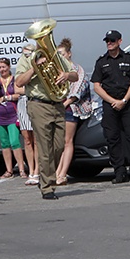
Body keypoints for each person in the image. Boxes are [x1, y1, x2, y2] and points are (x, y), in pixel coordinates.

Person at [14, 27, 77, 199]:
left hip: (57, 103)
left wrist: (65, 75)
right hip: (38, 104)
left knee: (58, 146)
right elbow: (19, 82)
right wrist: (34, 68)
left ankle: (47, 177)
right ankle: (47, 186)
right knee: (44, 146)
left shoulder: (56, 57)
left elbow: (75, 75)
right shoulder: (28, 58)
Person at [90, 30, 130, 184]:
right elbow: (97, 86)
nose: (109, 43)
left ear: (120, 41)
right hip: (109, 105)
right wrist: (113, 101)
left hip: (127, 104)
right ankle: (119, 172)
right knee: (113, 138)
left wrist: (124, 100)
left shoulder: (129, 58)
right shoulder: (101, 61)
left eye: (112, 40)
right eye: (107, 40)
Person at [55, 38, 92, 185]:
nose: (60, 57)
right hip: (59, 108)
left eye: (62, 54)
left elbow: (78, 91)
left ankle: (63, 174)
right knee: (58, 143)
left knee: (67, 141)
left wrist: (65, 103)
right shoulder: (57, 70)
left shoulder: (77, 69)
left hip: (72, 108)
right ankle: (57, 171)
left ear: (69, 54)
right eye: (58, 55)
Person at [0, 58, 25, 179]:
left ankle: (21, 169)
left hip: (12, 114)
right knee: (4, 143)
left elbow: (19, 94)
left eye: (4, 67)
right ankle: (9, 170)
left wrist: (6, 98)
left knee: (15, 141)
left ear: (9, 67)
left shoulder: (14, 79)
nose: (2, 70)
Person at [16, 44, 40, 186]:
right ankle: (30, 169)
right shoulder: (22, 62)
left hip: (34, 100)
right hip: (23, 103)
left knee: (36, 139)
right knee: (27, 139)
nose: (26, 55)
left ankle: (37, 170)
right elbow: (17, 86)